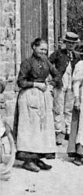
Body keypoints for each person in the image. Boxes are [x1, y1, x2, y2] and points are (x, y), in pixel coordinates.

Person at [14, 38, 59, 172]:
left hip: (42, 97)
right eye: (41, 49)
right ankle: (27, 161)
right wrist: (36, 84)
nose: (43, 52)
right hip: (28, 97)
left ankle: (37, 158)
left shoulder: (47, 62)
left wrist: (50, 85)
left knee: (41, 129)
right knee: (30, 128)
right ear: (34, 47)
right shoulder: (26, 63)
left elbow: (57, 75)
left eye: (45, 50)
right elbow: (20, 82)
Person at [48, 32, 80, 146]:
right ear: (65, 43)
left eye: (73, 43)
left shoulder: (77, 56)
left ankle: (68, 130)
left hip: (72, 84)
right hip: (60, 83)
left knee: (69, 108)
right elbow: (48, 64)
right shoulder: (57, 54)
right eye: (69, 43)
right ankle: (58, 132)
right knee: (58, 108)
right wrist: (54, 77)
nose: (71, 45)